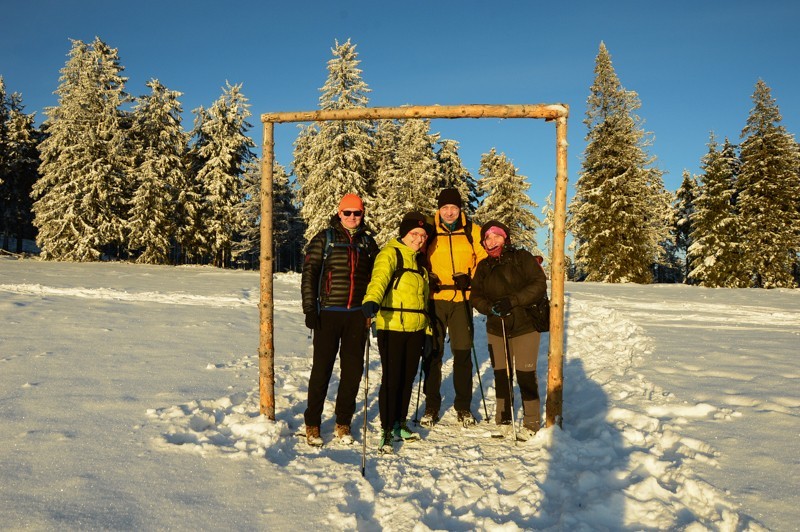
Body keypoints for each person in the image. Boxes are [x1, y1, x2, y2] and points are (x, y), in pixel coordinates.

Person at [301, 193, 379, 447]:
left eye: (357, 213)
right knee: (321, 370)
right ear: (339, 213)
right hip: (328, 314)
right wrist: (310, 308)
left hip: (357, 316)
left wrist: (371, 310)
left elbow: (376, 279)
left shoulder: (368, 243)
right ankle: (312, 423)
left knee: (353, 372)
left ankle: (343, 422)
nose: (353, 217)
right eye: (348, 213)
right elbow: (310, 274)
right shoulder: (324, 239)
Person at [469, 220, 548, 440]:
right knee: (501, 374)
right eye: (488, 238)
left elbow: (539, 284)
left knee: (525, 374)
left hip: (525, 326)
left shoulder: (522, 258)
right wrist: (490, 308)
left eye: (497, 236)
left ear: (506, 237)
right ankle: (503, 418)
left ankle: (531, 422)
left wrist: (512, 301)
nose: (492, 241)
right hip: (497, 327)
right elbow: (475, 295)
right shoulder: (484, 266)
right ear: (483, 242)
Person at [361, 212, 432, 454]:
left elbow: (425, 300)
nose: (419, 239)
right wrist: (371, 300)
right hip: (391, 326)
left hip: (416, 328)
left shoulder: (420, 262)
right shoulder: (390, 253)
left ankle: (400, 422)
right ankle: (386, 430)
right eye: (415, 234)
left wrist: (428, 329)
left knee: (408, 378)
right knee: (391, 380)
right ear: (404, 233)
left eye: (423, 236)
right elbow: (378, 279)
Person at [421, 188, 487, 427]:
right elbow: (416, 255)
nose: (449, 212)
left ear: (460, 209)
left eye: (454, 208)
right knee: (433, 354)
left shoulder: (472, 231)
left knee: (462, 354)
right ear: (439, 209)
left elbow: (483, 258)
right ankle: (431, 406)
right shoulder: (429, 231)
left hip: (461, 299)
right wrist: (427, 276)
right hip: (435, 298)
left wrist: (471, 279)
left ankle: (463, 407)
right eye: (445, 208)